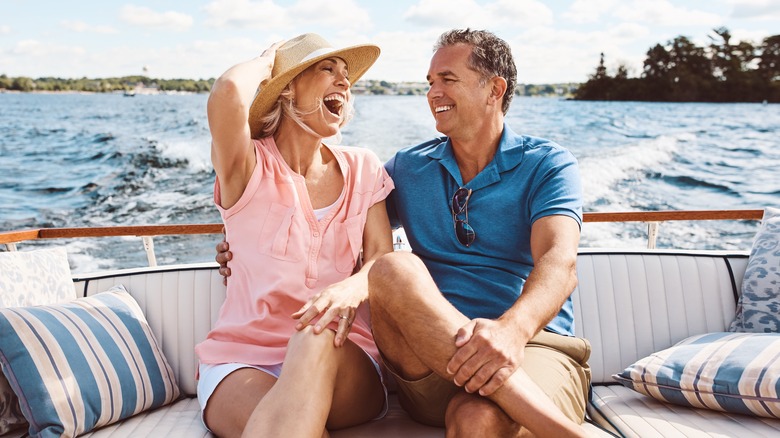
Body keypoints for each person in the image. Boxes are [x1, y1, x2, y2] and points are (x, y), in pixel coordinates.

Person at [217, 29, 591, 437]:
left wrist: (511, 330)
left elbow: (560, 262)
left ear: (494, 89)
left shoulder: (548, 165)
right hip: (427, 361)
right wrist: (240, 246)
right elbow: (335, 226)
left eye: (448, 79)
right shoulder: (407, 169)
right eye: (430, 83)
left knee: (476, 419)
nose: (434, 93)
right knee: (394, 267)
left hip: (529, 343)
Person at [197, 33, 394, 438]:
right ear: (287, 88)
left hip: (342, 353)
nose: (345, 83)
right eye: (327, 69)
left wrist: (354, 287)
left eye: (346, 76)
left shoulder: (364, 167)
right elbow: (229, 92)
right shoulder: (247, 167)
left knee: (314, 336)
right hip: (242, 359)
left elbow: (381, 257)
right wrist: (269, 61)